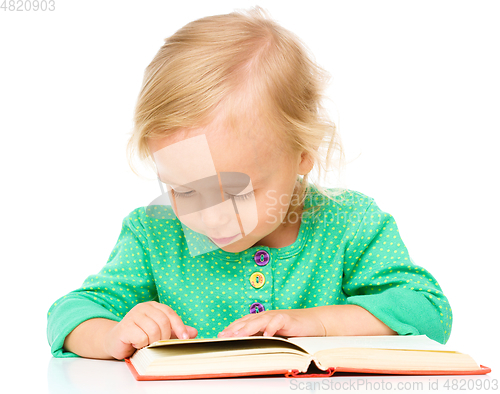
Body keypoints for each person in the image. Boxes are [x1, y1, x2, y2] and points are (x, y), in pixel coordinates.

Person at [47, 7, 452, 361]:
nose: (213, 217)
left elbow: (427, 310)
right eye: (185, 191)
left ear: (302, 153)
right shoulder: (155, 234)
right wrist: (111, 334)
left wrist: (316, 323)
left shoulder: (351, 224)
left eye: (235, 192)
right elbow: (70, 314)